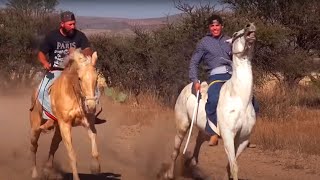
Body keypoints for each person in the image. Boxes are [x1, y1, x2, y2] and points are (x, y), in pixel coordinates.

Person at [189, 14, 259, 146]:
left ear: (222, 26)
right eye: (212, 26)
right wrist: (194, 79)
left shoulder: (229, 40)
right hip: (216, 77)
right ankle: (214, 132)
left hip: (233, 75)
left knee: (254, 103)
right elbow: (194, 62)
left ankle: (244, 135)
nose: (215, 28)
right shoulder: (204, 42)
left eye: (217, 25)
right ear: (209, 27)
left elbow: (240, 53)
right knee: (213, 99)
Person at [37, 11, 93, 131]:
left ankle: (91, 116)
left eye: (74, 23)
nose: (73, 26)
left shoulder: (80, 35)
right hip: (56, 70)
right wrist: (45, 63)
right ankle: (52, 118)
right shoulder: (52, 36)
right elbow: (41, 53)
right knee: (42, 91)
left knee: (94, 86)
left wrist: (78, 52)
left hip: (74, 72)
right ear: (62, 24)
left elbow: (88, 51)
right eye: (70, 24)